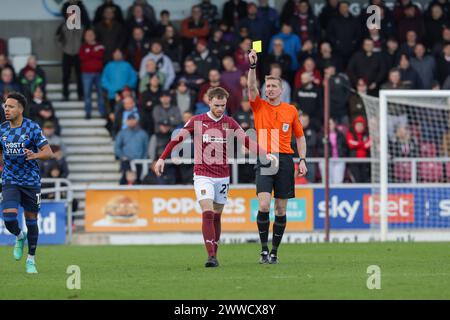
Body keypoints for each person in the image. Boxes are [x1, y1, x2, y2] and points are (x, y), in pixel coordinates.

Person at [153, 87, 276, 268]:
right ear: (209, 102)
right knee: (208, 212)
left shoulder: (230, 122)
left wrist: (265, 153)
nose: (220, 109)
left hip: (222, 176)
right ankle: (211, 256)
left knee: (217, 215)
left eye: (223, 105)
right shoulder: (197, 121)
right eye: (217, 105)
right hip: (203, 174)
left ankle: (214, 253)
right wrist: (162, 158)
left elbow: (246, 141)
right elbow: (177, 139)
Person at [247, 49, 307, 264]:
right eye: (268, 86)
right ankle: (263, 250)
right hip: (265, 158)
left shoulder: (290, 110)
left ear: (281, 90)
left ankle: (275, 252)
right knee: (264, 205)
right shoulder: (259, 105)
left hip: (285, 160)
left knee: (281, 209)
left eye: (274, 86)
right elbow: (251, 86)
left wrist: (302, 160)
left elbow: (300, 137)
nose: (270, 89)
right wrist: (253, 66)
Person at [0, 92, 54, 274]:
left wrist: (35, 155)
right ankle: (19, 236)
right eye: (5, 106)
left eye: (11, 106)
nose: (6, 109)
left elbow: (48, 152)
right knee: (8, 218)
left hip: (30, 181)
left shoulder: (32, 128)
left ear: (20, 109)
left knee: (32, 221)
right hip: (10, 180)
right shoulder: (2, 129)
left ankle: (31, 259)